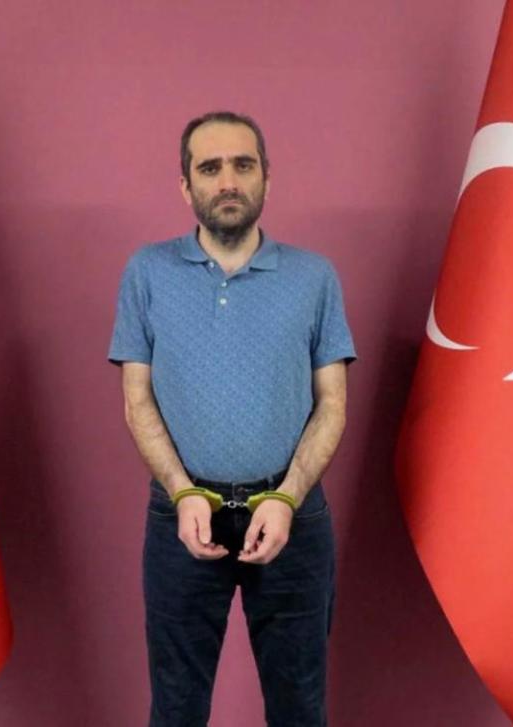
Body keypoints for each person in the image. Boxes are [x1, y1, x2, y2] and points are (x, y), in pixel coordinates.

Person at [108, 110, 355, 727]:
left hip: (292, 515)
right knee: (176, 707)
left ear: (267, 177)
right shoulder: (146, 272)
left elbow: (332, 403)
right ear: (185, 185)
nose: (227, 181)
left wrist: (287, 497)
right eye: (209, 167)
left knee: (300, 707)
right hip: (181, 514)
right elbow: (138, 399)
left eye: (243, 165)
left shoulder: (313, 277)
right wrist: (182, 490)